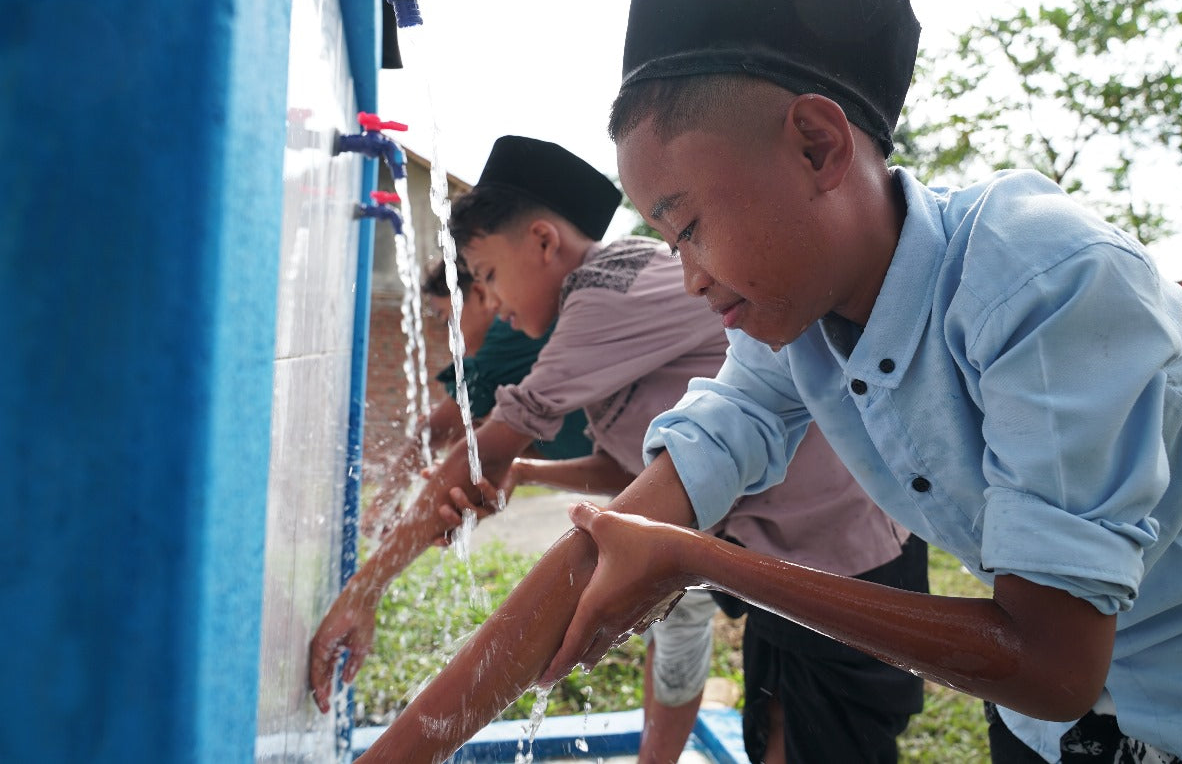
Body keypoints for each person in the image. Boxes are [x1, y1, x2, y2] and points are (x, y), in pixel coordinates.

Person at [354, 0, 1182, 764]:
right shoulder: (788, 330)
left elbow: (1050, 659)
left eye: (690, 226)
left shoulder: (1041, 280)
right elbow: (621, 535)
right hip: (1068, 726)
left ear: (815, 145)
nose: (688, 275)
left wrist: (703, 558)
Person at [320, 133, 928, 763]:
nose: (492, 305)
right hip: (785, 555)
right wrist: (528, 472)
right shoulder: (606, 295)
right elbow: (631, 467)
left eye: (489, 276)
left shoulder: (600, 300)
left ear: (543, 242)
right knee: (776, 728)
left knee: (821, 743)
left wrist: (361, 595)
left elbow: (479, 457)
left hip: (851, 556)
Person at [361, 259, 594, 538]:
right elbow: (507, 447)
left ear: (480, 295)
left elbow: (433, 431)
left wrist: (383, 503)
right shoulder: (517, 374)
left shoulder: (508, 333)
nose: (451, 336)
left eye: (447, 318)